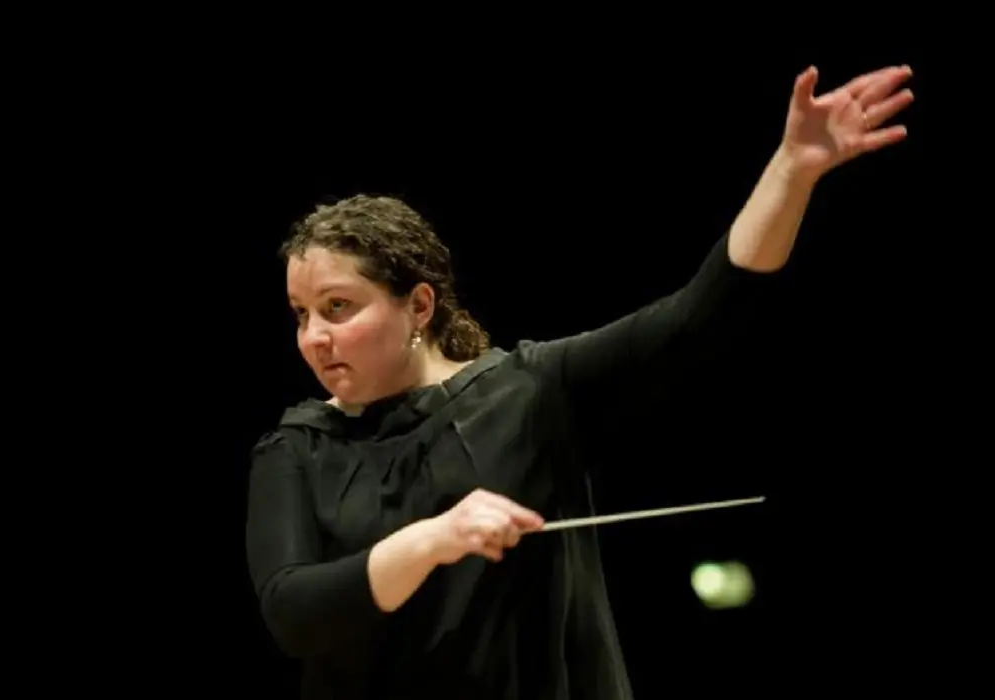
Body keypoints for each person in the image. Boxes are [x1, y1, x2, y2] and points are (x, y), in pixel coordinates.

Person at [245, 65, 913, 699]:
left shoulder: (529, 391)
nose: (314, 338)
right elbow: (293, 614)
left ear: (419, 306)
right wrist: (435, 539)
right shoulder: (298, 448)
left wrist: (792, 170)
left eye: (338, 308)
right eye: (301, 315)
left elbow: (702, 314)